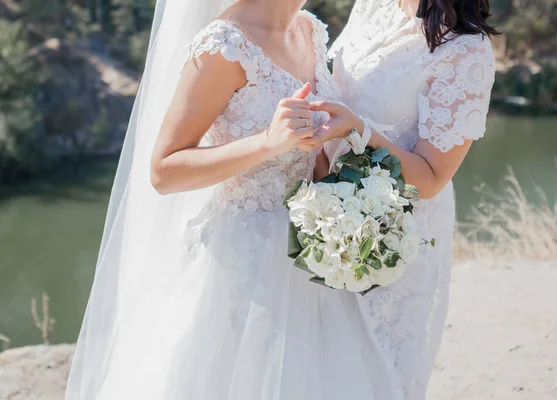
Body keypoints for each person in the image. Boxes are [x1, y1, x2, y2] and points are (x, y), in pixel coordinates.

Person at [65, 1, 403, 399]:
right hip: (244, 264)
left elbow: (307, 155)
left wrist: (337, 187)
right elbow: (163, 171)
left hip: (311, 255)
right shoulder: (223, 45)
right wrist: (266, 143)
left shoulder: (309, 30)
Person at [299, 0, 498, 397]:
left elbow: (431, 177)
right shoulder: (373, 5)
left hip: (395, 233)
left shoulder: (465, 51)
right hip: (323, 212)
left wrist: (358, 132)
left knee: (377, 374)